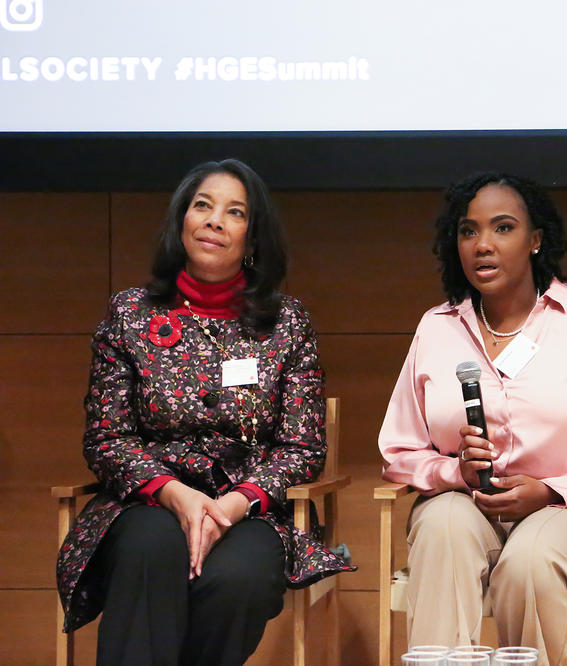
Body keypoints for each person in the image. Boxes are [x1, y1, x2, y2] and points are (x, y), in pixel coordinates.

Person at [56, 159, 354, 666]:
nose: (215, 220)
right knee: (152, 549)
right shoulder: (130, 313)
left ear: (253, 239)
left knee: (240, 580)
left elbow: (302, 446)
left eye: (234, 212)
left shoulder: (287, 322)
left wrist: (232, 505)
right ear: (182, 223)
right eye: (202, 206)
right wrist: (176, 497)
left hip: (250, 510)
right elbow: (107, 439)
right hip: (147, 503)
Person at [378, 172, 567, 666]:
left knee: (529, 559)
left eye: (502, 228)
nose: (483, 244)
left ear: (535, 240)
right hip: (467, 504)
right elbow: (400, 450)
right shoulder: (437, 328)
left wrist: (551, 491)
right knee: (442, 528)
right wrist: (454, 472)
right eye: (469, 231)